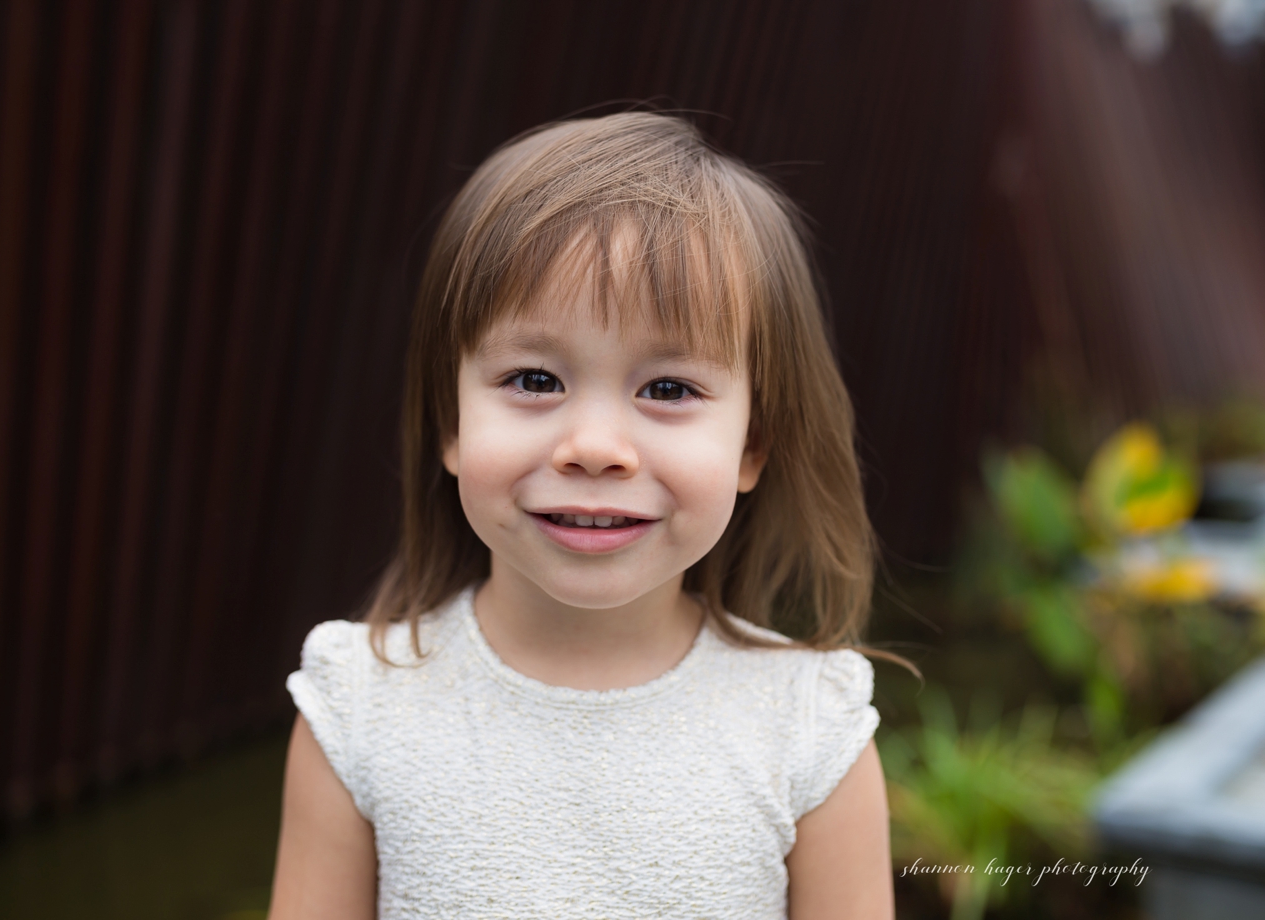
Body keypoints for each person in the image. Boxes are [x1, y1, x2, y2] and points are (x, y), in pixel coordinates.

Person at [270, 114, 902, 918]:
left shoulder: (810, 729)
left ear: (754, 444)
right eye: (534, 380)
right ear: (450, 423)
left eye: (668, 389)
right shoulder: (361, 708)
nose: (595, 447)